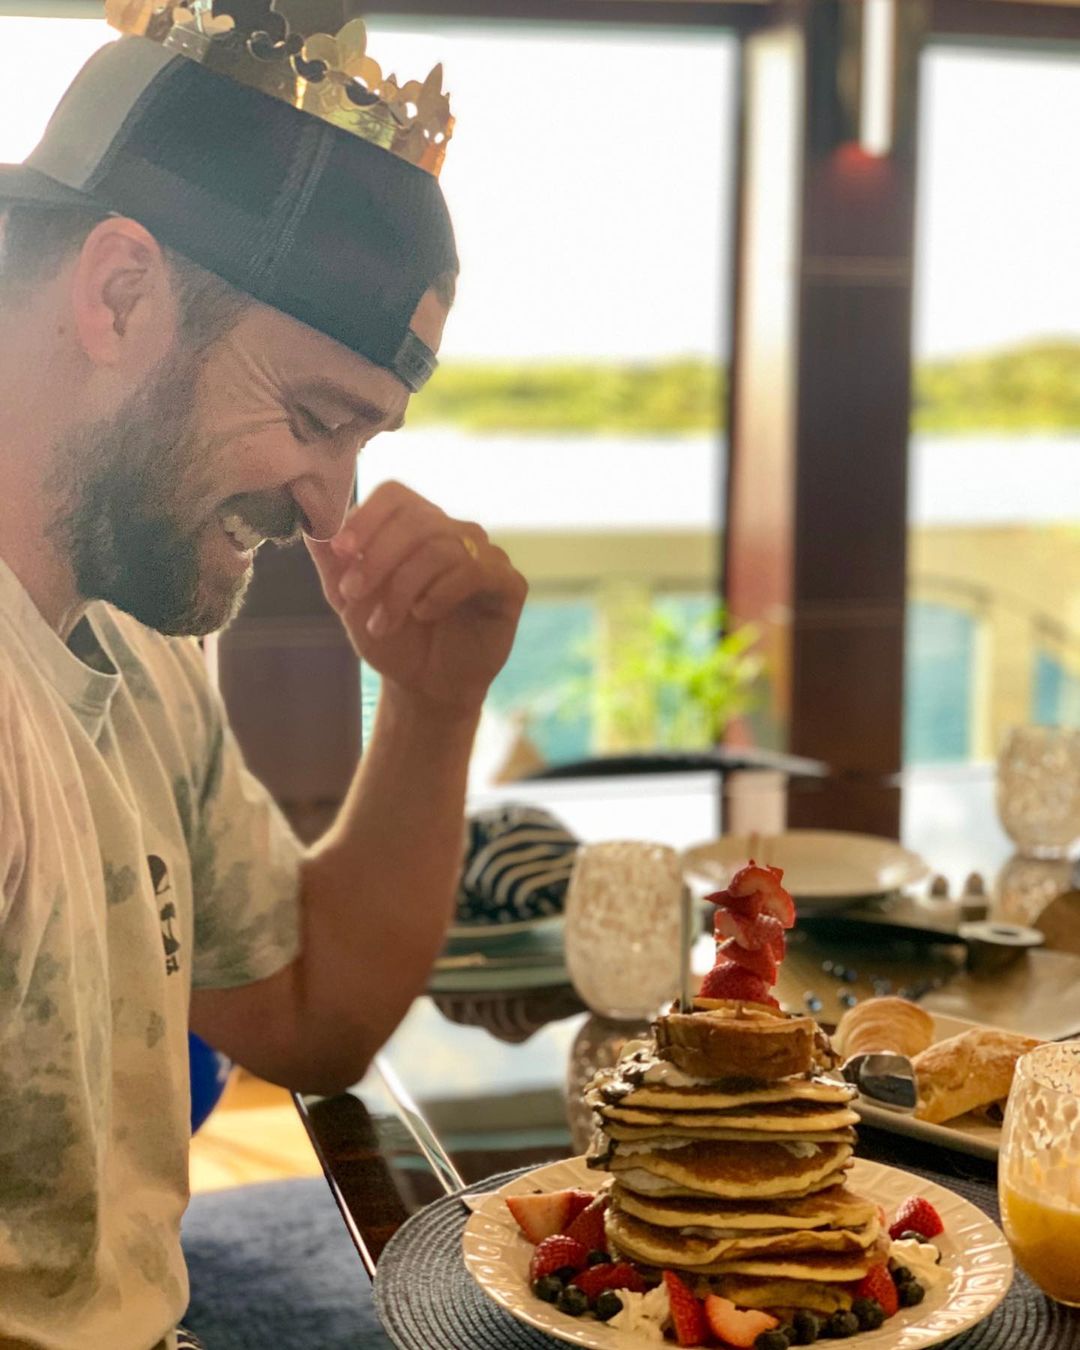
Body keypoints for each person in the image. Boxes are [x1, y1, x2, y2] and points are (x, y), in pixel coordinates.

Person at [0, 4, 527, 1347]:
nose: (335, 511)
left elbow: (310, 1009)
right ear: (119, 295)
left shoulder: (131, 643)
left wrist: (431, 701)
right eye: (312, 418)